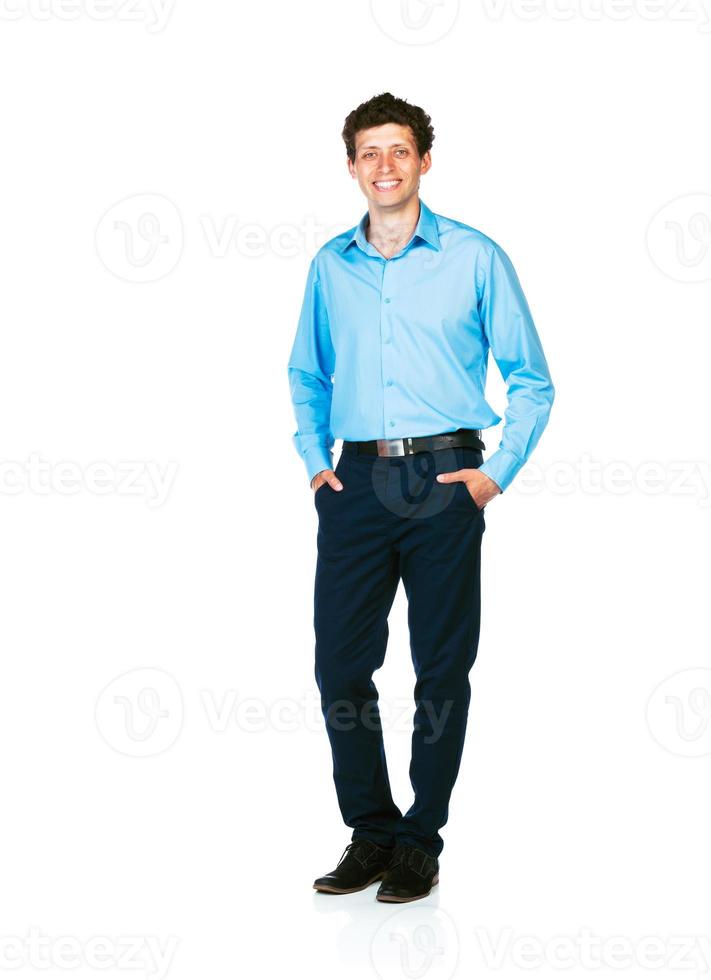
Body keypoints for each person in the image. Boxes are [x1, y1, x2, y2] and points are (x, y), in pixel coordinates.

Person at [287, 92, 555, 903]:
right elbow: (306, 373)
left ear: (424, 161)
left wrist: (492, 474)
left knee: (440, 667)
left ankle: (419, 839)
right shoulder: (330, 264)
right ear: (350, 167)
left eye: (399, 150)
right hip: (356, 482)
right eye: (369, 152)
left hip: (445, 480)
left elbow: (532, 380)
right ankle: (370, 831)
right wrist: (314, 462)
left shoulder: (475, 257)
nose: (384, 166)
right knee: (340, 664)